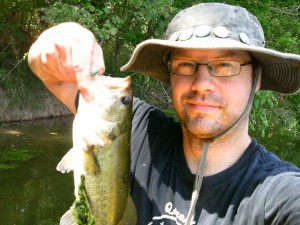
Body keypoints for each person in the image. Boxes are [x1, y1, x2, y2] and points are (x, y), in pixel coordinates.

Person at [28, 2, 300, 225]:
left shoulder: (280, 194)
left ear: (257, 77)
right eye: (184, 65)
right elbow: (50, 71)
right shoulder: (133, 129)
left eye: (226, 65)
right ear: (170, 74)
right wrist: (67, 38)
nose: (202, 83)